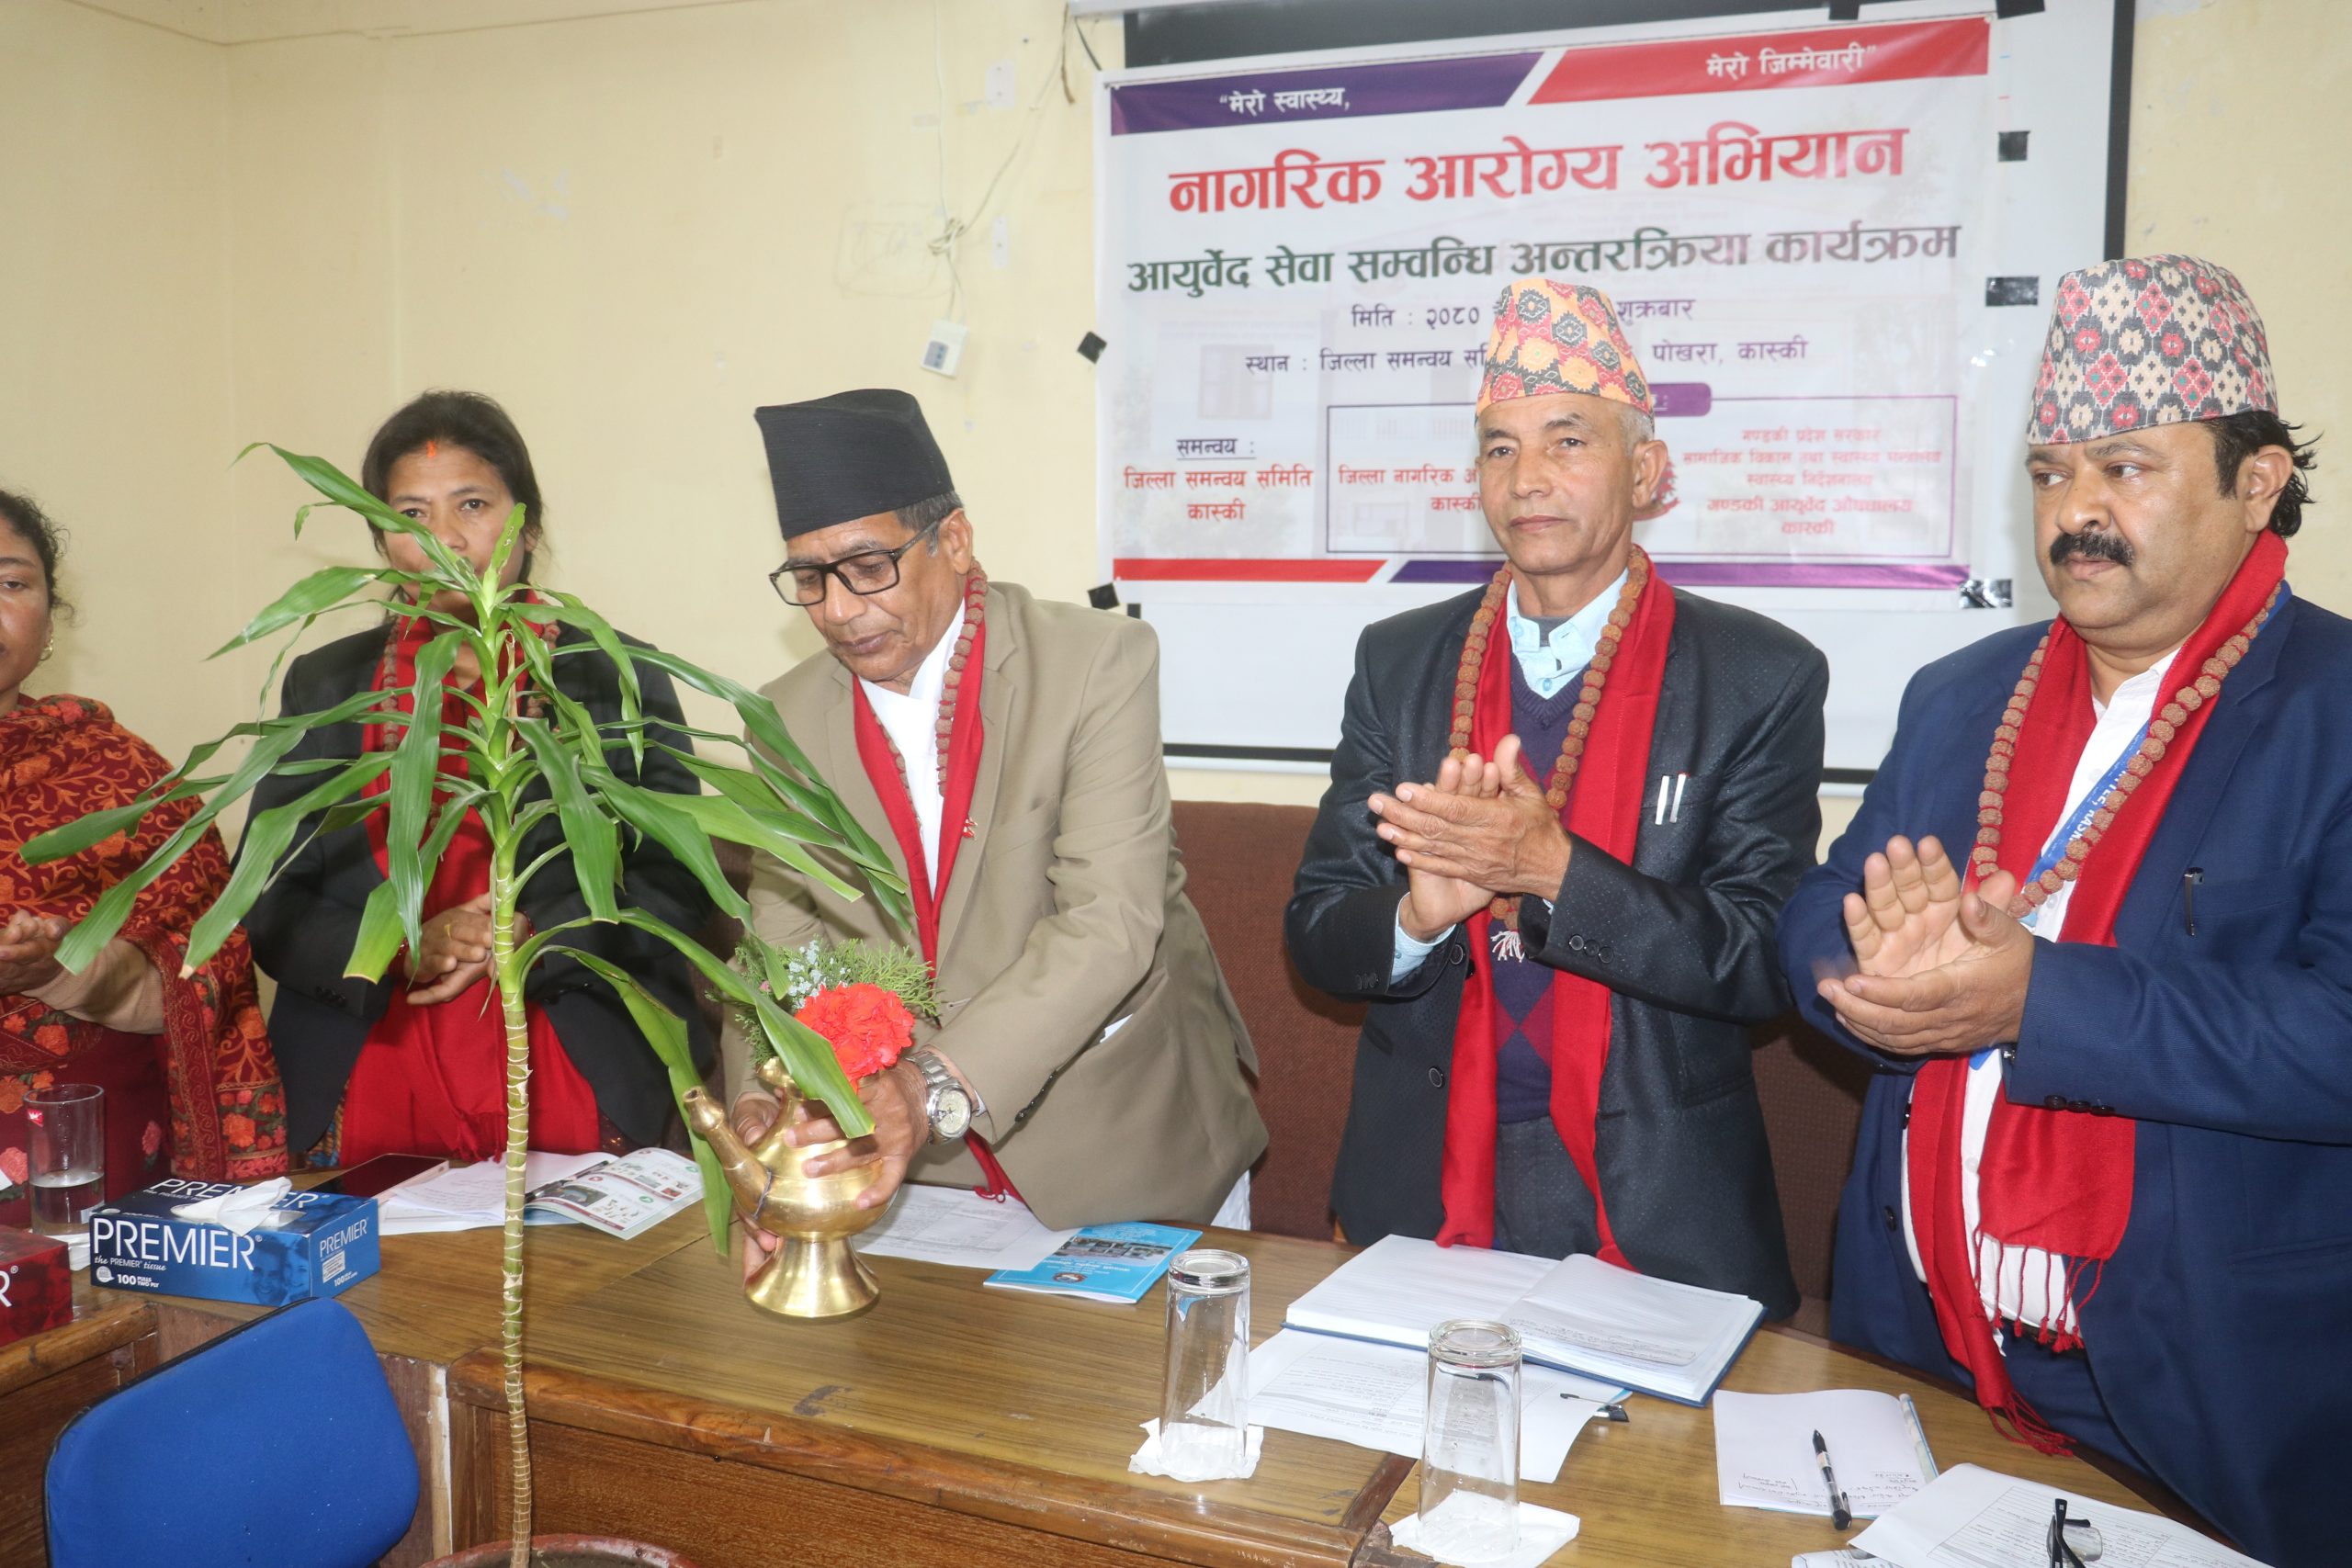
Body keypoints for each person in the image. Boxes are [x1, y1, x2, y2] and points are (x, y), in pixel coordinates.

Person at [1778, 255, 2339, 1566]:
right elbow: (1817, 905)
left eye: (2124, 468)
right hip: (1913, 1343)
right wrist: (1868, 961)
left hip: (2200, 1394)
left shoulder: (2336, 711)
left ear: (2257, 482)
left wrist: (2038, 1000)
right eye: (2049, 472)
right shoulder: (1962, 692)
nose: (2075, 512)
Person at [1286, 279, 1824, 1314]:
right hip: (1427, 1173)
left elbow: (1761, 959)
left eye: (1568, 440)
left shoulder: (1758, 674)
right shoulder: (1400, 661)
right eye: (1500, 448)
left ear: (1646, 472)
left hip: (1654, 1192)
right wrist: (1414, 917)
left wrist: (1552, 872)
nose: (1527, 477)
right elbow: (1315, 933)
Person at [723, 388, 1264, 1232]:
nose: (837, 609)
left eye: (868, 567)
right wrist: (764, 1093)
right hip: (908, 1173)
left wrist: (928, 1084)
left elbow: (1109, 922)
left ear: (955, 541)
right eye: (808, 578)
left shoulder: (1095, 663)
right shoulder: (785, 718)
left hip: (1122, 1144)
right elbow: (781, 945)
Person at [242, 391, 712, 1167]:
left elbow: (678, 879)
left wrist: (540, 935)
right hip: (368, 1059)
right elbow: (270, 899)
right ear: (380, 540)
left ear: (528, 526)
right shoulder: (328, 685)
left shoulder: (613, 674)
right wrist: (399, 945)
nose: (446, 538)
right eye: (411, 514)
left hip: (570, 1040)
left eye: (472, 504)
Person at [0, 487, 288, 1223]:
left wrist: (64, 972)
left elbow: (211, 965)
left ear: (50, 619)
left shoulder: (118, 772)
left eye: (12, 582)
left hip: (98, 1173)